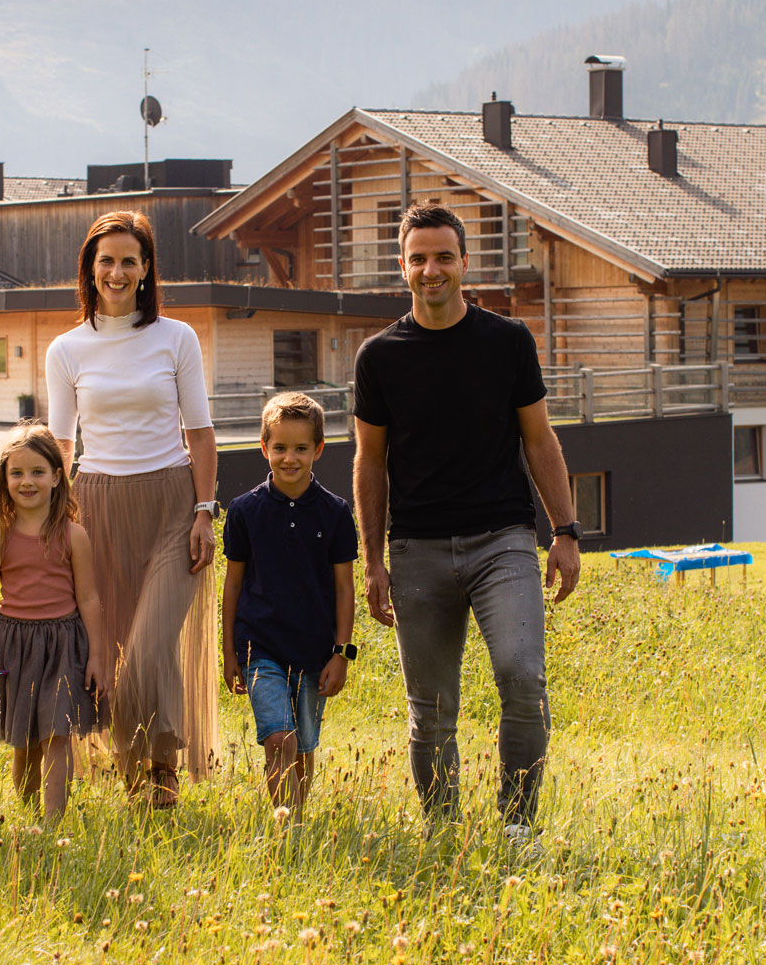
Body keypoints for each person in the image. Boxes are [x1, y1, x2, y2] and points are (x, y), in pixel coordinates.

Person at [352, 201, 583, 846]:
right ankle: (443, 832)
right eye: (418, 258)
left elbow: (539, 440)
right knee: (430, 712)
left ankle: (517, 824)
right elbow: (370, 463)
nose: (432, 269)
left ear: (464, 263)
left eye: (443, 256)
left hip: (502, 542)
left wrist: (565, 531)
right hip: (417, 548)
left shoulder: (507, 342)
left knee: (522, 676)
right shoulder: (379, 357)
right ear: (402, 268)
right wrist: (373, 560)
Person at [45, 210, 218, 808]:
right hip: (95, 507)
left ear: (146, 271)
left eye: (129, 261)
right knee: (115, 643)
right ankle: (137, 769)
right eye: (106, 261)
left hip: (172, 505)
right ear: (90, 272)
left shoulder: (177, 338)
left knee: (151, 641)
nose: (117, 272)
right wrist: (51, 517)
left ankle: (159, 760)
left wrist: (204, 510)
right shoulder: (66, 349)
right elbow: (62, 444)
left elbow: (200, 432)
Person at [221, 392, 357, 813]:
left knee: (303, 745)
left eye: (301, 448)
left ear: (318, 449)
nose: (289, 458)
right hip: (260, 648)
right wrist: (228, 652)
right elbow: (232, 586)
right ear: (264, 448)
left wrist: (341, 653)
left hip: (314, 650)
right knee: (279, 738)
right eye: (279, 447)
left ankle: (297, 820)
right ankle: (288, 832)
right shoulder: (244, 511)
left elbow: (344, 589)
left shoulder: (335, 513)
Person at [0, 423, 112, 825]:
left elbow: (89, 598)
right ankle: (28, 812)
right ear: (3, 479)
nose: (27, 481)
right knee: (25, 741)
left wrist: (97, 656)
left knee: (57, 734)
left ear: (57, 476)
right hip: (14, 644)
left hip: (64, 644)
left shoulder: (73, 535)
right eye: (16, 473)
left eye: (37, 472)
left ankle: (52, 826)